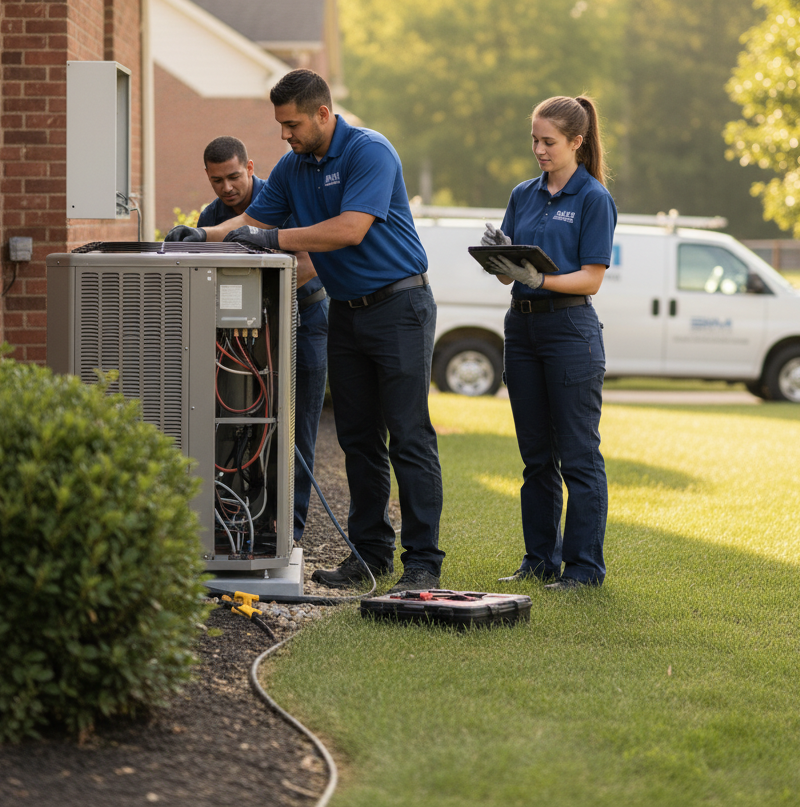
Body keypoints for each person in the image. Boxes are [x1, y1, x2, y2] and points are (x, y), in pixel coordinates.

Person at [166, 70, 444, 593]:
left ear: (322, 113)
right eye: (280, 125)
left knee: (408, 435)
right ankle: (370, 555)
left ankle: (423, 561)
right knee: (358, 438)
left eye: (291, 124)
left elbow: (349, 228)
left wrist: (270, 237)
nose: (284, 135)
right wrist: (202, 233)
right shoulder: (296, 167)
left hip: (399, 305)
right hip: (348, 311)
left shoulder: (369, 152)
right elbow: (249, 216)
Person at [482, 95, 617, 589]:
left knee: (579, 456)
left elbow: (590, 279)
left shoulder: (593, 199)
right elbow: (511, 274)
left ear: (577, 143)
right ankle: (539, 560)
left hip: (569, 332)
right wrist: (500, 261)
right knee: (535, 457)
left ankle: (584, 570)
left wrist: (538, 281)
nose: (539, 149)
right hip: (521, 330)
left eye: (549, 141)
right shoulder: (524, 194)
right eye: (534, 140)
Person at [194, 136, 329, 543]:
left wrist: (263, 295)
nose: (227, 188)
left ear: (250, 167)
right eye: (217, 180)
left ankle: (288, 530)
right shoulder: (210, 217)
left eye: (234, 176)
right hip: (238, 336)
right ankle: (236, 519)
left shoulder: (283, 198)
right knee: (239, 423)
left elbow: (309, 262)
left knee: (295, 424)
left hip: (303, 317)